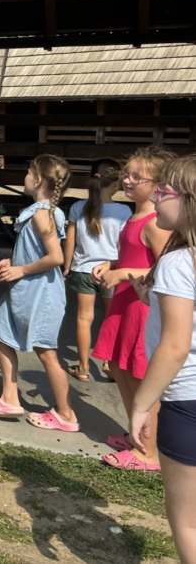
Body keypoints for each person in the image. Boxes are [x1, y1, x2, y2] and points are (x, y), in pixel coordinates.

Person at [0, 155, 78, 431]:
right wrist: (13, 264)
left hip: (41, 295)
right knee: (1, 334)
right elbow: (40, 252)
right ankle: (9, 397)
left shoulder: (42, 214)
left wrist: (21, 270)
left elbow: (55, 257)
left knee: (46, 352)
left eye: (28, 171)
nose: (25, 177)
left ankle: (66, 414)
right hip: (23, 290)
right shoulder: (42, 212)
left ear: (38, 179)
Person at [92, 146, 176, 470]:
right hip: (124, 302)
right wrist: (110, 263)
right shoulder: (133, 216)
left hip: (141, 305)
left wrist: (121, 273)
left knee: (140, 376)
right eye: (126, 173)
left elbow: (165, 267)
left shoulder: (156, 222)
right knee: (117, 367)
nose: (126, 179)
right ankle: (136, 432)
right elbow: (134, 258)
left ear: (158, 184)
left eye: (135, 176)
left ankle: (149, 452)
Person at [130, 154, 196, 562]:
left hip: (186, 401)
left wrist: (141, 404)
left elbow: (175, 345)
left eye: (165, 191)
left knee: (188, 519)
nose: (156, 197)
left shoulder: (177, 261)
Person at [62, 159, 129, 382]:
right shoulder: (123, 211)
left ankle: (82, 367)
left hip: (82, 270)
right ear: (115, 184)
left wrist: (67, 266)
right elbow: (124, 245)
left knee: (84, 318)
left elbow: (70, 240)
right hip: (111, 271)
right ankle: (109, 365)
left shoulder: (77, 207)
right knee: (112, 318)